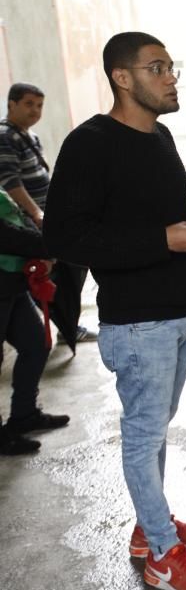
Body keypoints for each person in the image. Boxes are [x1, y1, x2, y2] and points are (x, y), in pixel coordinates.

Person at [44, 32, 186, 590]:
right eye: (157, 68)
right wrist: (163, 239)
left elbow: (164, 214)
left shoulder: (163, 138)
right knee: (144, 437)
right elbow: (67, 238)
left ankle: (151, 528)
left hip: (179, 309)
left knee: (157, 428)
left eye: (172, 67)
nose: (171, 78)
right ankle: (163, 558)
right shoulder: (89, 144)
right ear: (123, 78)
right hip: (136, 321)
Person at [0, 83, 98, 349]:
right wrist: (36, 214)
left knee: (65, 275)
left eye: (40, 105)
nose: (35, 111)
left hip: (44, 218)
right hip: (30, 223)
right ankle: (66, 327)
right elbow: (10, 182)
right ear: (11, 104)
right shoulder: (5, 136)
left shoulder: (28, 136)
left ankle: (67, 326)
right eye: (29, 104)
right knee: (60, 274)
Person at [0, 189, 68, 455]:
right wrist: (51, 245)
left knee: (36, 344)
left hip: (11, 284)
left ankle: (24, 415)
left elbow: (16, 218)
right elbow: (5, 234)